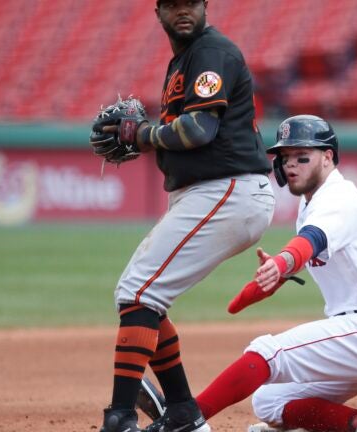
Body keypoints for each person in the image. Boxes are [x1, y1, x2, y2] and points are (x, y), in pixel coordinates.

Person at [139, 115, 357, 432]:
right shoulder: (313, 202)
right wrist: (272, 277)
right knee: (269, 401)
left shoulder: (338, 197)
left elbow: (312, 240)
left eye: (302, 156)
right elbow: (310, 246)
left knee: (268, 352)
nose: (291, 165)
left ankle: (187, 419)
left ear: (328, 158)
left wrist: (284, 263)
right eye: (285, 158)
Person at [95, 1, 274, 431]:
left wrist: (141, 133)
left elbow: (199, 130)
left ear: (205, 6)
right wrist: (150, 133)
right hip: (211, 192)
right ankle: (181, 412)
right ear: (157, 10)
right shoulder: (184, 61)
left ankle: (120, 418)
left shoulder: (212, 53)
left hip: (228, 188)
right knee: (144, 297)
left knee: (138, 290)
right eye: (173, 3)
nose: (183, 10)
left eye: (190, 2)